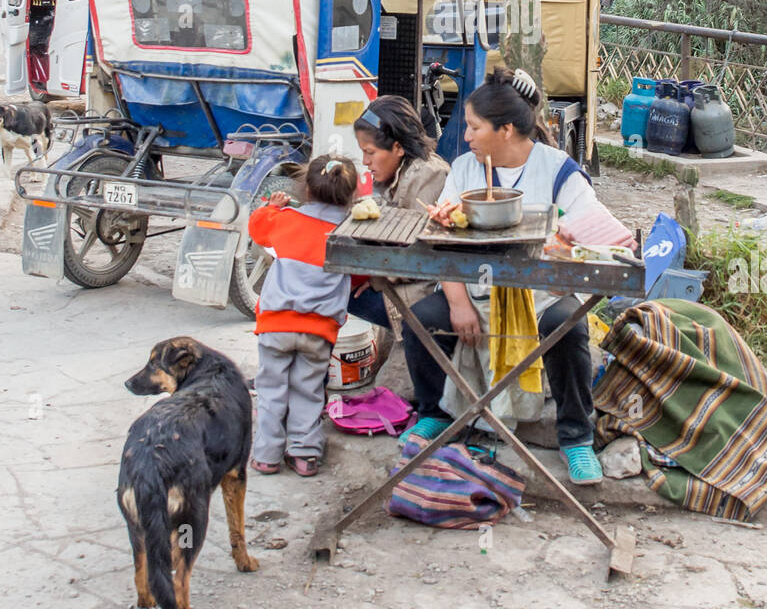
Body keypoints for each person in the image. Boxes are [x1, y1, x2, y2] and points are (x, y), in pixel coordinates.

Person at [402, 67, 609, 486]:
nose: (466, 136)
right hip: (473, 287)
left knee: (566, 325)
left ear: (507, 130)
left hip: (539, 291)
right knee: (423, 318)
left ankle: (576, 437)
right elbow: (443, 241)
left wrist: (567, 247)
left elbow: (595, 231)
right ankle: (435, 414)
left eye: (475, 127)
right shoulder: (463, 170)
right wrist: (457, 301)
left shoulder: (558, 171)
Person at [248, 154, 359, 478]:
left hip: (276, 325)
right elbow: (359, 275)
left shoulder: (286, 220)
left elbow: (257, 229)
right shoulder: (347, 235)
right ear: (351, 196)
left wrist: (273, 205)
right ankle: (305, 455)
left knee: (271, 389)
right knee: (308, 391)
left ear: (307, 190)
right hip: (318, 331)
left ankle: (267, 455)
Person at [349, 95, 450, 343]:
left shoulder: (428, 174)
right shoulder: (400, 171)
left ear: (398, 147)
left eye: (370, 153)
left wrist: (379, 279)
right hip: (399, 282)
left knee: (331, 292)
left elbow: (422, 254)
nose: (365, 162)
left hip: (419, 293)